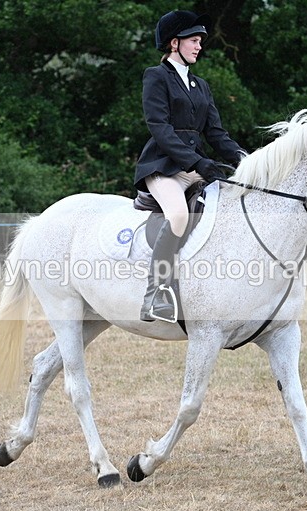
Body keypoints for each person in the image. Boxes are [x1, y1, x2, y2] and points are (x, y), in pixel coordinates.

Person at [135, 10, 247, 323]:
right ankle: (155, 295)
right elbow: (160, 127)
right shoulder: (156, 77)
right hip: (163, 166)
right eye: (194, 41)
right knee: (179, 215)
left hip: (196, 166)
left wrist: (246, 160)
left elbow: (216, 134)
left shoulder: (201, 86)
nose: (199, 46)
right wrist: (197, 161)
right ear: (175, 43)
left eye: (200, 41)